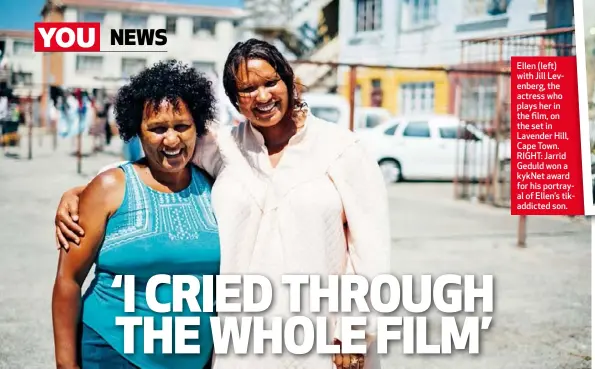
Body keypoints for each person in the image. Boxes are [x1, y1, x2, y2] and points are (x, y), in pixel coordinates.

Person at [54, 39, 391, 369]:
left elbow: (371, 252)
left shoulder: (343, 149)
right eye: (246, 90)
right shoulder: (224, 147)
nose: (262, 97)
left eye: (270, 82)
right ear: (233, 100)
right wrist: (81, 193)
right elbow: (155, 163)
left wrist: (355, 329)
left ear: (287, 80)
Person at [51, 60, 220, 369]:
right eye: (157, 129)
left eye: (182, 126)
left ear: (197, 126)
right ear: (137, 132)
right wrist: (66, 365)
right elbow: (68, 280)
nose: (171, 139)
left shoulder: (214, 187)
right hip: (113, 353)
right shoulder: (109, 188)